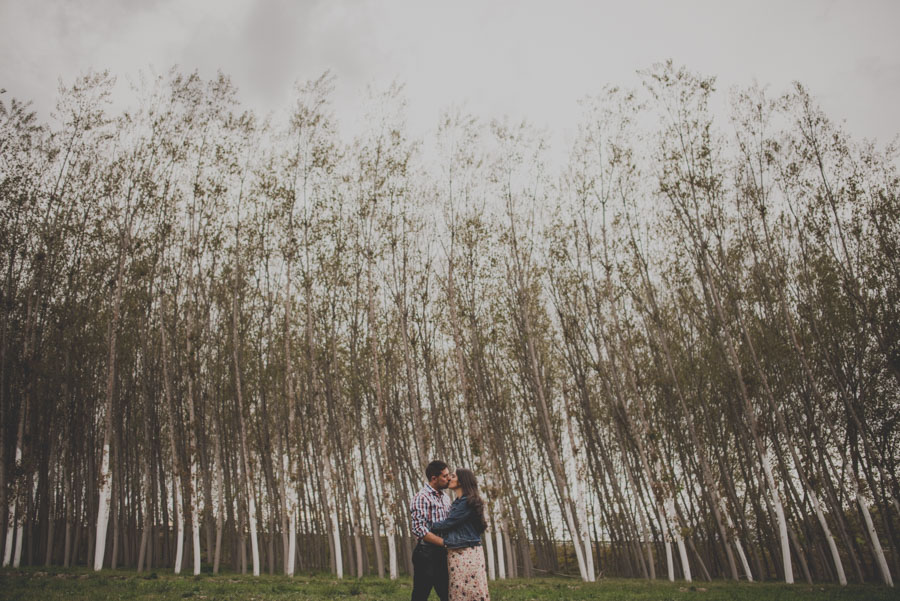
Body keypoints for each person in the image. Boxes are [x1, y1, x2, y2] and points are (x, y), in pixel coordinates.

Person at [429, 468, 490, 601]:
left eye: (453, 476)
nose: (449, 478)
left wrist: (427, 525)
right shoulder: (457, 502)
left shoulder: (466, 502)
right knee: (459, 590)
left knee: (469, 591)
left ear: (462, 481)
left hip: (467, 552)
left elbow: (448, 524)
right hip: (457, 551)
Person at [410, 460, 452, 601]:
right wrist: (444, 542)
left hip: (443, 554)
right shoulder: (421, 497)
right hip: (426, 554)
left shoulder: (446, 498)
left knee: (447, 595)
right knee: (420, 595)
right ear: (434, 478)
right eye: (445, 476)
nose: (449, 479)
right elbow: (419, 529)